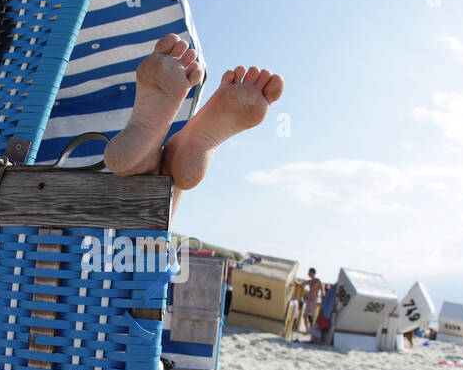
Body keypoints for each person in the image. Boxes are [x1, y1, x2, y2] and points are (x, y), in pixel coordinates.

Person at [105, 35, 284, 222]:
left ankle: (146, 156)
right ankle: (179, 148)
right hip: (145, 230)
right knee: (169, 181)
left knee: (149, 170)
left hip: (92, 217)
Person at [300, 268, 323, 332]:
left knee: (311, 316)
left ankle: (311, 330)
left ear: (312, 273)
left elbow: (322, 289)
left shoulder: (318, 281)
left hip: (314, 300)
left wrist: (322, 299)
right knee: (305, 315)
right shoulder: (310, 281)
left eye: (309, 272)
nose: (308, 273)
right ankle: (307, 330)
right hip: (309, 300)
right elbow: (301, 284)